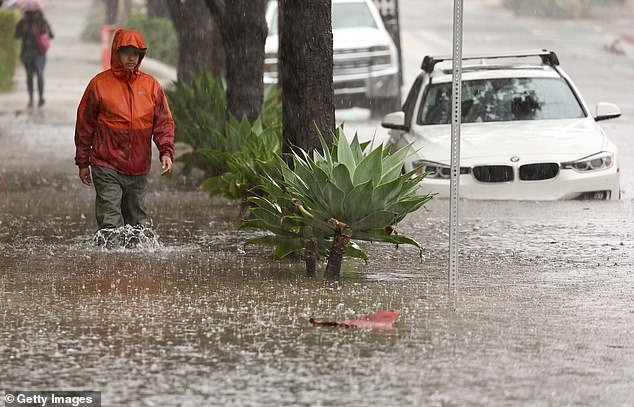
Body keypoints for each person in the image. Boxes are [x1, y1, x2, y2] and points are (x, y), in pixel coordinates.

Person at [74, 28, 175, 236]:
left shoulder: (151, 86)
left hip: (139, 167)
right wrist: (83, 162)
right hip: (106, 165)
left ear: (141, 55)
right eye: (126, 51)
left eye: (136, 52)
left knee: (139, 226)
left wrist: (166, 151)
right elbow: (84, 125)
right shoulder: (99, 85)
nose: (131, 57)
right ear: (116, 53)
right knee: (110, 225)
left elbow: (163, 122)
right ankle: (110, 264)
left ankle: (135, 267)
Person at [14, 6, 53, 108]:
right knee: (29, 76)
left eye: (35, 11)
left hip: (40, 53)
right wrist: (23, 30)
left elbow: (51, 35)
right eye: (31, 11)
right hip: (26, 53)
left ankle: (40, 97)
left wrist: (47, 30)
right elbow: (16, 35)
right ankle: (31, 98)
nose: (33, 13)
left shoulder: (42, 21)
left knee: (40, 73)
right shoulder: (23, 22)